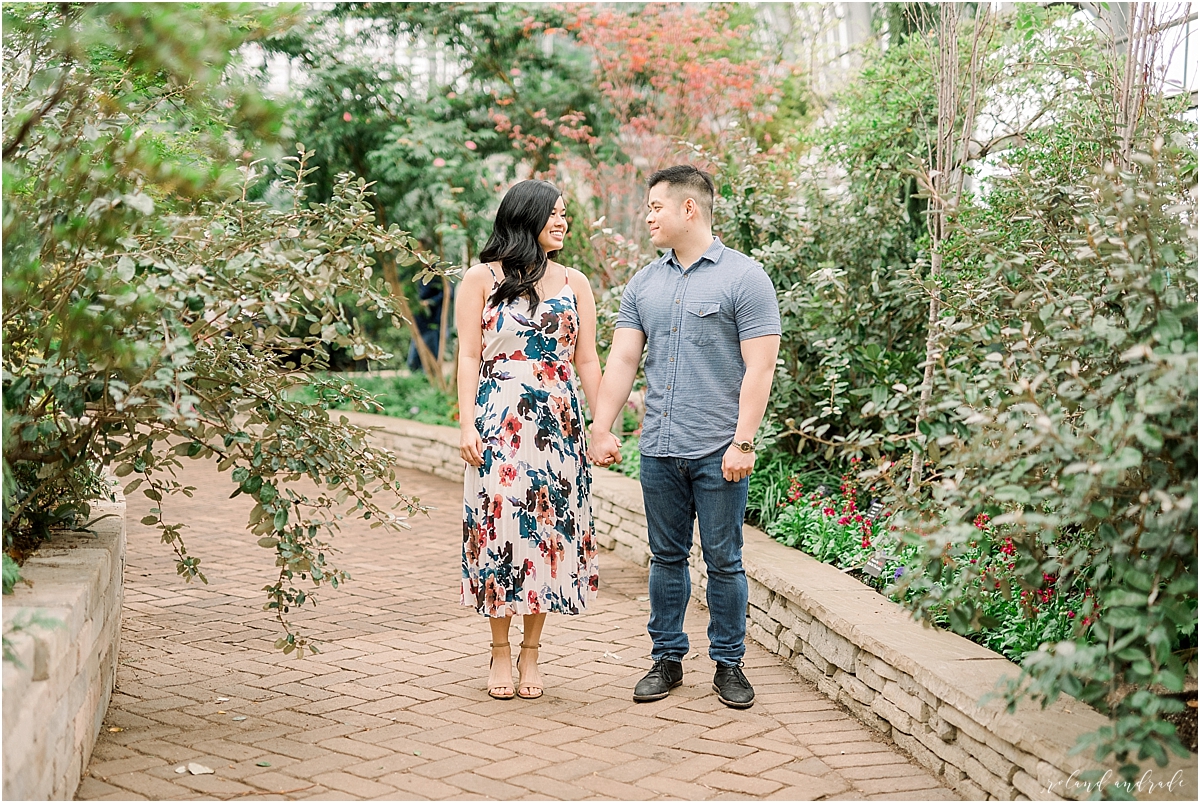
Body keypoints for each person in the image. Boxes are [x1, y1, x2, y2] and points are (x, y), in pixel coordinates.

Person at [588, 165, 781, 709]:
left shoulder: (745, 278)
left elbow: (760, 368)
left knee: (724, 561)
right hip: (659, 449)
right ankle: (666, 660)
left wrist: (743, 442)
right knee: (665, 558)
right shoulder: (644, 284)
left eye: (655, 206)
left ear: (688, 209)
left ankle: (729, 665)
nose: (647, 216)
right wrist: (602, 426)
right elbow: (623, 358)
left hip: (719, 450)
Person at [456, 179, 606, 700]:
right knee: (500, 530)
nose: (564, 223)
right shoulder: (480, 278)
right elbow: (469, 356)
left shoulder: (575, 281)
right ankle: (499, 650)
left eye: (566, 215)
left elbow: (586, 358)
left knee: (547, 532)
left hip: (559, 424)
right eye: (555, 215)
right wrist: (465, 421)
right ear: (526, 217)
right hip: (499, 419)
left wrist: (603, 424)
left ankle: (532, 652)